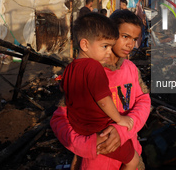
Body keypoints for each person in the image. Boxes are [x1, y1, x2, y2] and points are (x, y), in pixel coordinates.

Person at [51, 10, 150, 170]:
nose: (131, 44)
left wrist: (122, 130)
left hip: (130, 152)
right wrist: (84, 144)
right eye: (125, 36)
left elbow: (143, 100)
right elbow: (60, 117)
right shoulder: (88, 72)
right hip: (96, 160)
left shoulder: (130, 68)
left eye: (134, 39)